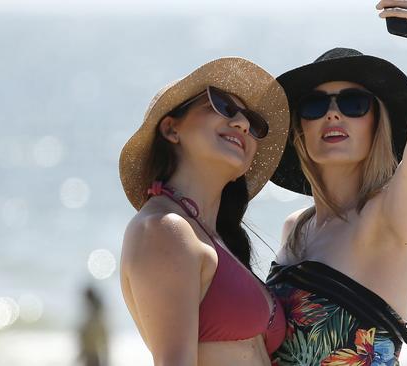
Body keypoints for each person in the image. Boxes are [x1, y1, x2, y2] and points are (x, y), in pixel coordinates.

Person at [266, 1, 407, 364]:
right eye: (315, 105)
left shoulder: (386, 216)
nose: (333, 113)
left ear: (377, 124)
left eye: (353, 103)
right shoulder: (296, 227)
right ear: (299, 131)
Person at [118, 57, 290, 365]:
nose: (242, 123)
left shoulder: (210, 237)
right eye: (221, 106)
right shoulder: (163, 228)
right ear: (171, 129)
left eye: (253, 121)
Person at [78, 286, 109, 366]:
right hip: (93, 351)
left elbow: (91, 336)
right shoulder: (96, 312)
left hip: (92, 353)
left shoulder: (94, 315)